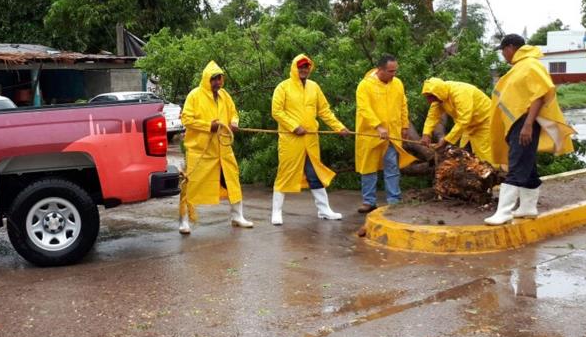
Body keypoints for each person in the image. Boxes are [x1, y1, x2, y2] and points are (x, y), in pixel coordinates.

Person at [484, 34, 575, 225]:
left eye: (503, 51)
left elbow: (540, 95)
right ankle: (528, 207)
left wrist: (527, 125)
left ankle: (504, 212)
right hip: (517, 122)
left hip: (525, 122)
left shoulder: (530, 65)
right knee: (527, 165)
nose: (503, 55)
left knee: (516, 164)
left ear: (510, 47)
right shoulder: (520, 66)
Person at [270, 54, 350, 225]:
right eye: (300, 67)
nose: (304, 70)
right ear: (294, 68)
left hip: (311, 139)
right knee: (285, 174)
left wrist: (339, 127)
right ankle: (276, 212)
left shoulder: (314, 87)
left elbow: (324, 111)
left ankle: (324, 210)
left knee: (315, 174)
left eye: (306, 67)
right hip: (291, 141)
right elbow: (277, 112)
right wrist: (294, 126)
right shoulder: (283, 87)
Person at [178, 61, 253, 234]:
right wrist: (207, 126)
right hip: (201, 152)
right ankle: (184, 220)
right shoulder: (194, 95)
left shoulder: (224, 95)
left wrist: (234, 122)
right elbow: (186, 119)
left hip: (223, 150)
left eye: (219, 79)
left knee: (232, 182)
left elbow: (233, 112)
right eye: (214, 79)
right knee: (191, 185)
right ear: (206, 79)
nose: (217, 82)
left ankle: (237, 216)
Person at [355, 55, 416, 213]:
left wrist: (404, 125)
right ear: (380, 69)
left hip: (392, 135)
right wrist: (378, 126)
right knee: (368, 168)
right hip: (370, 135)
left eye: (395, 70)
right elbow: (364, 108)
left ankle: (393, 201)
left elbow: (403, 104)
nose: (393, 74)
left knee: (392, 166)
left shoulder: (397, 83)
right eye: (390, 71)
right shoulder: (365, 85)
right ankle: (369, 201)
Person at [419, 77, 495, 165]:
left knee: (485, 155)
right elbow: (432, 117)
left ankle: (493, 175)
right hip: (469, 127)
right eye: (428, 97)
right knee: (463, 154)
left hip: (485, 122)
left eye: (431, 97)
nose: (429, 101)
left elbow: (464, 119)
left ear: (438, 93)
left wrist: (447, 140)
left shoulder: (460, 92)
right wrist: (426, 134)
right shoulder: (439, 98)